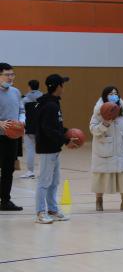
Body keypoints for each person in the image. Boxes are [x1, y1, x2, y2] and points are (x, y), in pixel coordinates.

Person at [34, 74, 80, 223]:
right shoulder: (49, 105)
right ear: (58, 87)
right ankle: (40, 213)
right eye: (62, 84)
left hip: (54, 148)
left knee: (54, 182)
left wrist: (66, 132)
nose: (63, 87)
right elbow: (48, 129)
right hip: (47, 149)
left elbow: (55, 126)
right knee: (44, 182)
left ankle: (52, 209)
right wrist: (66, 140)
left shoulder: (53, 102)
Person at [89, 86, 123, 212]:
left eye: (116, 93)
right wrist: (104, 124)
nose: (114, 95)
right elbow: (93, 129)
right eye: (110, 93)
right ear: (105, 96)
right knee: (101, 175)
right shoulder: (99, 111)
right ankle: (99, 200)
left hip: (121, 149)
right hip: (104, 148)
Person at [0, 62, 26, 211]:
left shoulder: (16, 92)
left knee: (8, 169)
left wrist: (21, 121)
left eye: (12, 74)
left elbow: (21, 110)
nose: (10, 77)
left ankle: (5, 201)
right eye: (7, 75)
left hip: (12, 137)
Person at [20, 79, 42, 179]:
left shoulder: (24, 100)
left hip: (29, 127)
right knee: (43, 151)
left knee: (30, 150)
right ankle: (43, 172)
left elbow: (21, 113)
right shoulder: (44, 98)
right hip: (41, 128)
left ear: (29, 87)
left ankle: (30, 171)